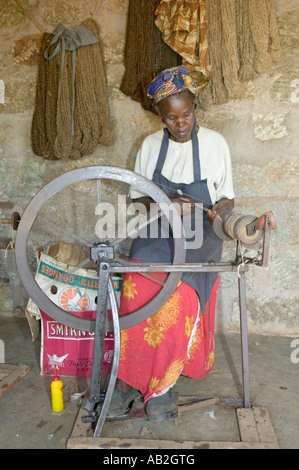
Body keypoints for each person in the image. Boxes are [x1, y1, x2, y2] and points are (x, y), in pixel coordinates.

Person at [108, 66, 235, 420]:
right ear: (161, 118)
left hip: (202, 231)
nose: (180, 123)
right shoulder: (150, 146)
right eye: (171, 118)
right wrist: (165, 204)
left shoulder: (215, 144)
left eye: (186, 115)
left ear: (195, 110)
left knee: (176, 289)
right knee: (138, 277)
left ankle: (160, 386)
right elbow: (138, 199)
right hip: (158, 226)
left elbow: (226, 199)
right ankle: (128, 379)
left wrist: (218, 215)